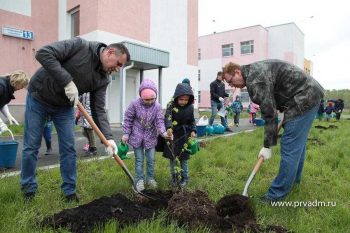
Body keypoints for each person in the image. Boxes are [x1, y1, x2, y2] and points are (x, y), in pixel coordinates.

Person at [21, 37, 130, 202]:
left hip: (64, 106)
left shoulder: (103, 79)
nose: (117, 69)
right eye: (119, 64)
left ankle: (69, 192)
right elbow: (44, 53)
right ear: (110, 52)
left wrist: (108, 138)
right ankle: (28, 190)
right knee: (31, 145)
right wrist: (67, 81)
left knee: (69, 148)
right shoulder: (80, 46)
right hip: (39, 96)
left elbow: (98, 109)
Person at [223, 59, 324, 202]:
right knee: (297, 145)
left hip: (304, 98)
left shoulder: (255, 80)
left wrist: (267, 145)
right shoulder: (253, 70)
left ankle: (276, 195)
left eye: (231, 81)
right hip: (308, 94)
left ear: (237, 72)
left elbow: (270, 114)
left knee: (290, 145)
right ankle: (294, 182)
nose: (231, 85)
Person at [122, 79, 169, 192]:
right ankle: (139, 181)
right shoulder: (134, 104)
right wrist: (126, 133)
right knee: (139, 160)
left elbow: (159, 121)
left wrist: (163, 133)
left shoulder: (157, 107)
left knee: (151, 159)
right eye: (146, 99)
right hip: (136, 136)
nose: (149, 102)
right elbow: (128, 119)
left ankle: (150, 179)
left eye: (152, 99)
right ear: (141, 97)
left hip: (151, 137)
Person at [162, 83, 196, 188]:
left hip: (184, 136)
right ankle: (174, 178)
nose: (183, 102)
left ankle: (185, 178)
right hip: (173, 136)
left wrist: (193, 130)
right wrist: (169, 128)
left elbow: (192, 121)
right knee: (173, 158)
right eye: (181, 99)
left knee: (183, 158)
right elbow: (167, 117)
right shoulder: (171, 106)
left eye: (186, 100)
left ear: (189, 99)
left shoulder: (190, 108)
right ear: (176, 97)